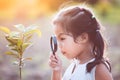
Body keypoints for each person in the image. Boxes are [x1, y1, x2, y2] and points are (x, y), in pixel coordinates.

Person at [49, 5, 113, 80]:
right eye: (57, 39)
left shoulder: (98, 70)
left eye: (62, 38)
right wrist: (56, 71)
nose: (59, 45)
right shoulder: (73, 66)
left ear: (83, 38)